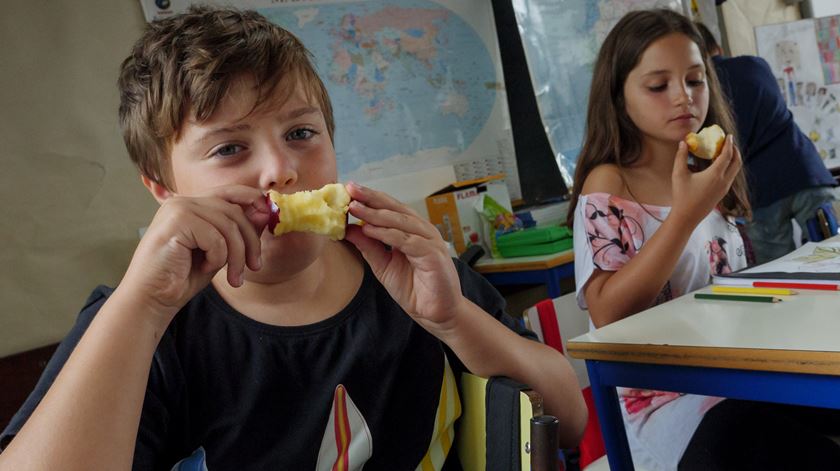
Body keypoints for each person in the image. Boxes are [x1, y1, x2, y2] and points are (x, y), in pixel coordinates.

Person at [0, 6, 587, 470]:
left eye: (302, 132)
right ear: (164, 191)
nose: (280, 169)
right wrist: (142, 307)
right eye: (230, 148)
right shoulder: (140, 325)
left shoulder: (410, 269)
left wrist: (454, 318)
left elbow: (571, 417)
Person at [567, 9, 840, 471]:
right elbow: (607, 314)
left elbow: (721, 289)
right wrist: (686, 215)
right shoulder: (610, 183)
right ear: (618, 97)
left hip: (738, 377)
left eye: (695, 80)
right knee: (750, 431)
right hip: (663, 403)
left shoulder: (705, 168)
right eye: (658, 86)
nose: (684, 98)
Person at [696, 22, 837, 264]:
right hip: (803, 170)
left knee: (780, 268)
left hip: (758, 190)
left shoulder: (703, 91)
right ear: (717, 47)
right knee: (831, 251)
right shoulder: (755, 65)